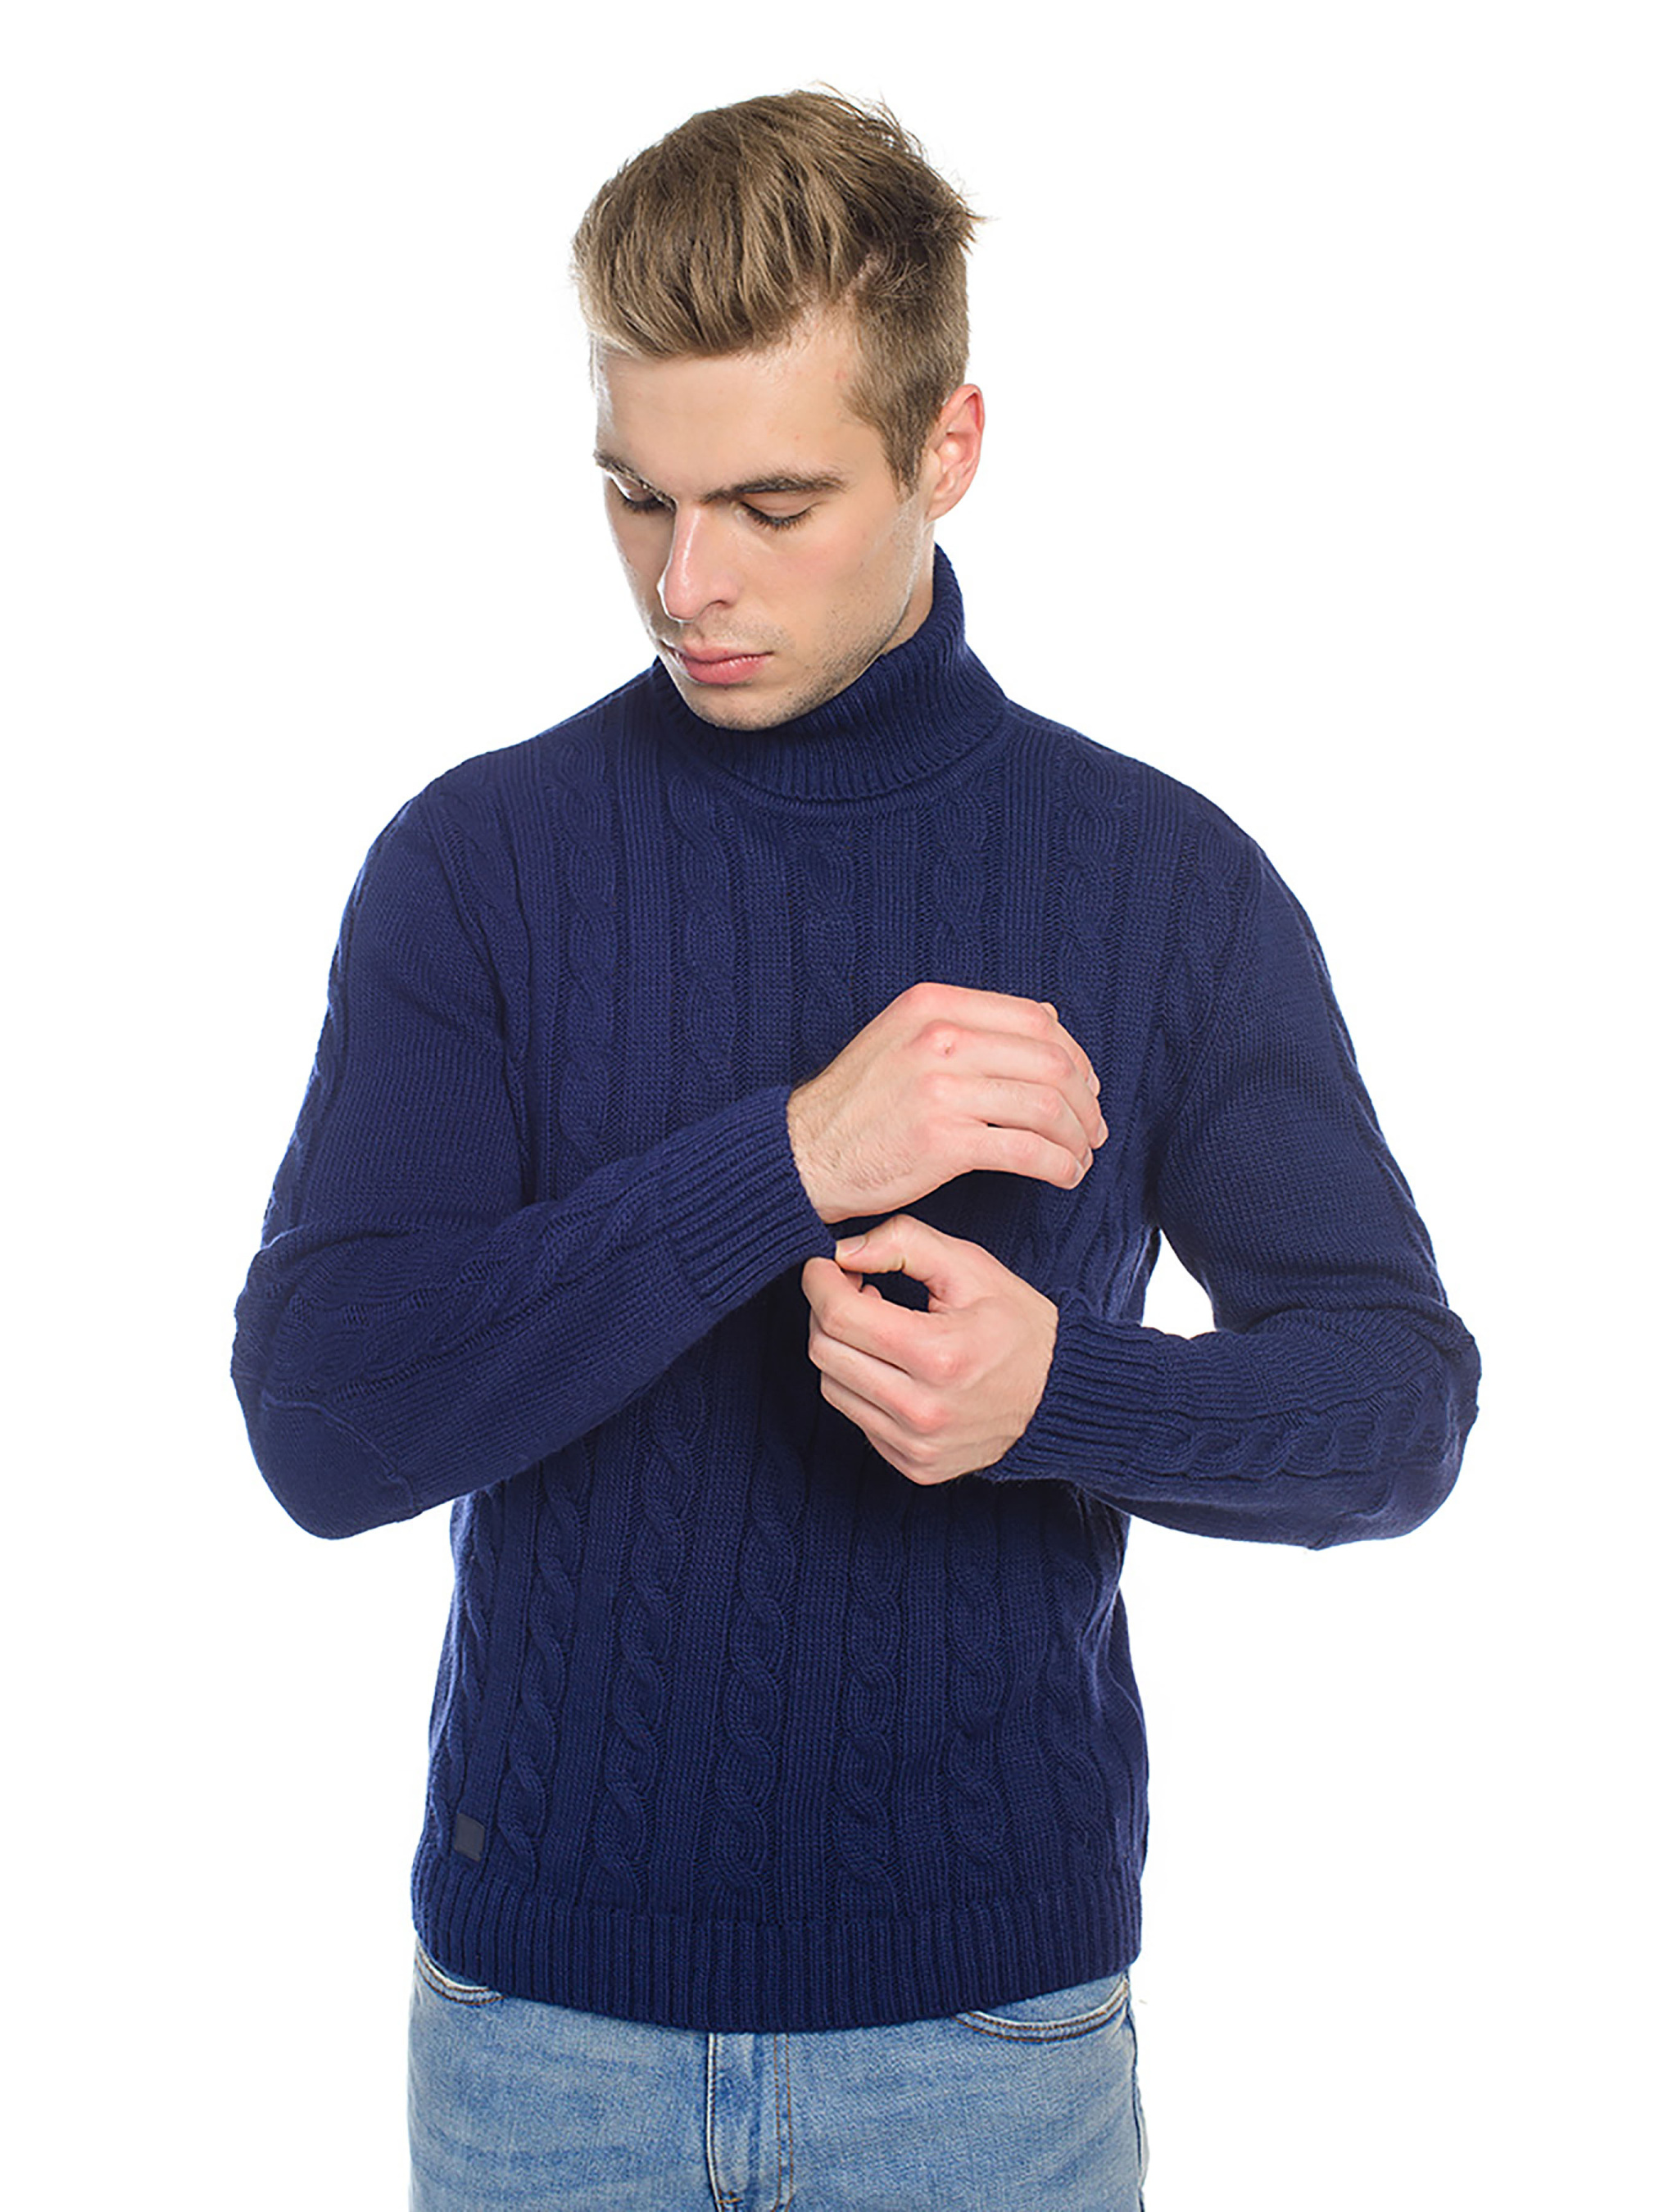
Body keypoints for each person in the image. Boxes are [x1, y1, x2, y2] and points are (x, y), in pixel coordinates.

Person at [233, 89, 1479, 2211]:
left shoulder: (1158, 877)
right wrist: (787, 1159)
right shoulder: (478, 864)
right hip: (542, 2039)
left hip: (984, 2047)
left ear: (946, 449)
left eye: (773, 503)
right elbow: (325, 1427)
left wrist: (1060, 1395)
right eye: (635, 495)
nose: (685, 582)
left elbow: (1398, 1411)